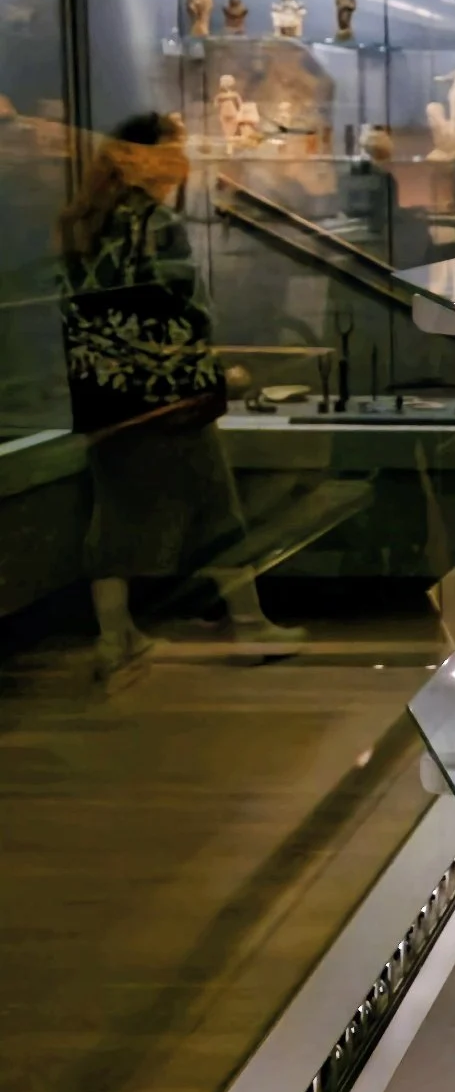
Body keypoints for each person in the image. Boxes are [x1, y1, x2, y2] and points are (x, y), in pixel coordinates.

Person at [58, 113, 302, 675]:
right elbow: (182, 307)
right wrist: (215, 366)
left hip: (102, 392)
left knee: (114, 508)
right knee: (218, 505)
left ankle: (115, 635)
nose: (183, 161)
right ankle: (250, 625)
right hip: (167, 393)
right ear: (134, 157)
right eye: (172, 151)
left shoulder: (85, 220)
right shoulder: (154, 221)